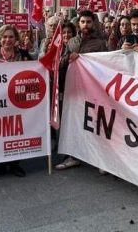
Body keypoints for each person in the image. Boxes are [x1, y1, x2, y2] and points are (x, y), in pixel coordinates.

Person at [56, 10, 108, 171]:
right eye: (83, 22)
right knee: (74, 123)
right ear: (79, 23)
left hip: (93, 91)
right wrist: (69, 57)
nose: (86, 25)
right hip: (74, 90)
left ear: (93, 23)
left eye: (89, 22)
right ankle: (73, 156)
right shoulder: (71, 41)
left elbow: (106, 66)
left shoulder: (100, 43)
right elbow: (61, 63)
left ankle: (101, 160)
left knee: (95, 125)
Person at [0, 25, 32, 177]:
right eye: (5, 37)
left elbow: (33, 71)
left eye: (11, 37)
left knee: (17, 132)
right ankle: (0, 162)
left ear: (16, 39)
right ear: (0, 39)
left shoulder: (24, 55)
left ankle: (14, 164)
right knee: (0, 132)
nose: (8, 40)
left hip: (17, 100)